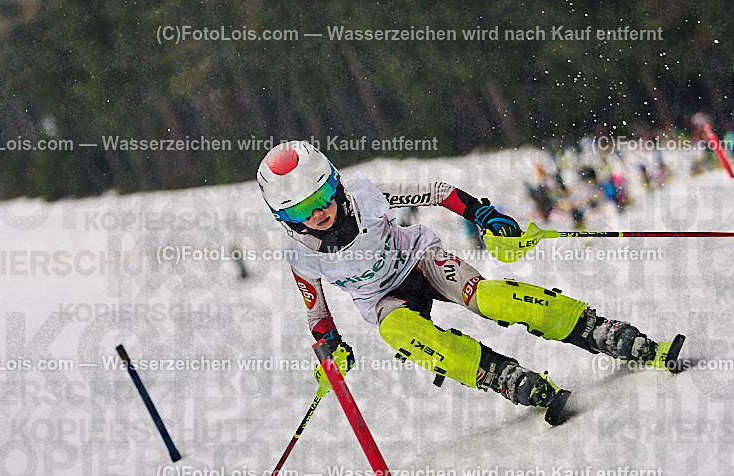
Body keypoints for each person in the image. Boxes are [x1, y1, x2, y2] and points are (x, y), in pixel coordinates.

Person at [256, 141, 684, 423]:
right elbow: (317, 312)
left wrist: (483, 214)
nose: (316, 214)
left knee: (491, 298)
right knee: (400, 333)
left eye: (319, 197)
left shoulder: (366, 193)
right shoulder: (300, 255)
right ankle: (499, 375)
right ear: (284, 218)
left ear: (333, 183)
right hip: (382, 299)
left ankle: (595, 330)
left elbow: (439, 192)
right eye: (298, 211)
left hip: (419, 258)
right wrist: (329, 346)